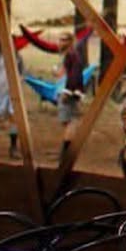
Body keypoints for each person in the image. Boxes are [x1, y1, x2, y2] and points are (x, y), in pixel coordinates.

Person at [55, 30, 84, 162]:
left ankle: (66, 154)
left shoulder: (72, 55)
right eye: (60, 39)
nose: (60, 42)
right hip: (63, 90)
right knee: (67, 122)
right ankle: (66, 152)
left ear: (70, 42)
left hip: (68, 92)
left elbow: (75, 75)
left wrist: (68, 91)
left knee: (71, 122)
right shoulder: (67, 56)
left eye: (63, 40)